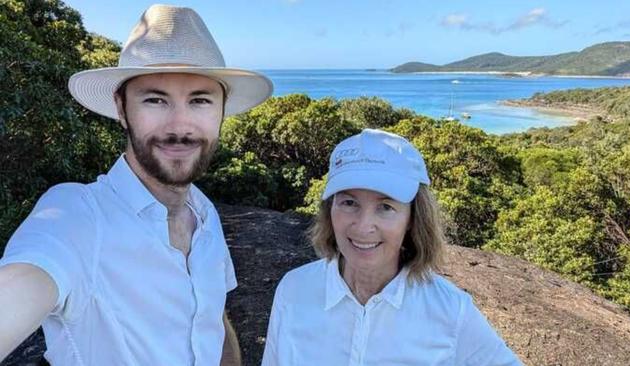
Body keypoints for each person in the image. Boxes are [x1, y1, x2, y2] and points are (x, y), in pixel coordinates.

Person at [0, 4, 272, 365]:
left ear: (221, 111)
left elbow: (214, 321)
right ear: (121, 107)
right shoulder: (76, 216)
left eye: (200, 101)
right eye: (155, 99)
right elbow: (23, 283)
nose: (180, 126)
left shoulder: (205, 214)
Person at [262, 129, 522, 365]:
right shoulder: (294, 289)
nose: (364, 227)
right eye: (349, 203)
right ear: (329, 209)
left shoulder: (451, 311)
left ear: (412, 219)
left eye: (385, 207)